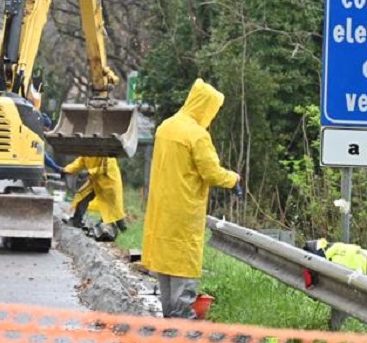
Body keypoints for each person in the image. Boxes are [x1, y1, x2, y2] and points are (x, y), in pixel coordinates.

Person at [141, 78, 239, 318]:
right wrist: (234, 179)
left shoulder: (166, 127)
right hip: (184, 210)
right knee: (184, 264)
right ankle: (182, 321)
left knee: (165, 266)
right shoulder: (197, 135)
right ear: (206, 107)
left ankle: (169, 317)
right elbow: (211, 173)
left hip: (162, 208)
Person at [62, 155, 126, 239]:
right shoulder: (87, 152)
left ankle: (122, 228)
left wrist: (89, 172)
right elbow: (79, 162)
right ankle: (77, 220)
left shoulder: (107, 152)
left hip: (109, 182)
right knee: (82, 196)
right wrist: (66, 170)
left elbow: (105, 168)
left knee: (114, 207)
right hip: (95, 181)